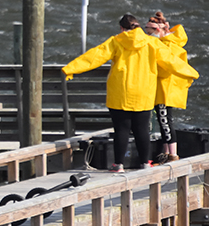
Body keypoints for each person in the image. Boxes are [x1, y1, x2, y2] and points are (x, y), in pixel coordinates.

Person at [62, 13, 199, 173]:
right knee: (142, 130)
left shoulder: (116, 41)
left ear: (122, 28)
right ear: (138, 26)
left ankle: (118, 165)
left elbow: (94, 57)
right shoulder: (152, 43)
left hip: (120, 94)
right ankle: (145, 164)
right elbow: (170, 61)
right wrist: (191, 73)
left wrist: (70, 69)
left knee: (121, 129)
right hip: (144, 93)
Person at [144, 11, 193, 164]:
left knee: (165, 121)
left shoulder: (170, 46)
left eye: (149, 31)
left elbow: (167, 68)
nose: (147, 34)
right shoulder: (168, 43)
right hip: (162, 87)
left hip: (166, 88)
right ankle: (166, 153)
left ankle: (172, 155)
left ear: (158, 30)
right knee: (162, 119)